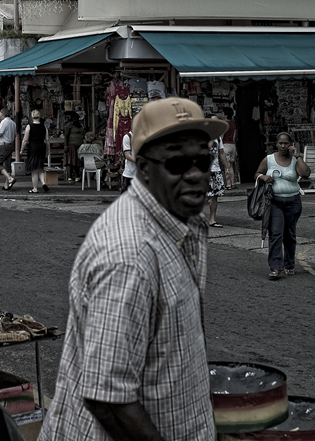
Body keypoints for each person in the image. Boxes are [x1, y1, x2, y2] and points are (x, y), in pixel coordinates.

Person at [39, 99, 226, 441]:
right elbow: (107, 397)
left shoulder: (182, 216)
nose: (196, 173)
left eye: (202, 159)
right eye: (178, 163)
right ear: (142, 168)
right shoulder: (129, 256)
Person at [255, 133, 310, 280]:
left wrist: (298, 156)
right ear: (276, 144)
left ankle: (289, 264)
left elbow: (305, 174)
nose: (283, 146)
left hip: (293, 201)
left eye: (286, 143)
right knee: (276, 234)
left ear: (291, 144)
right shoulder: (269, 159)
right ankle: (275, 267)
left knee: (290, 235)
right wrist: (263, 177)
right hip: (274, 202)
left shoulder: (294, 160)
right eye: (280, 143)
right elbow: (257, 173)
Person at [206, 133, 230, 227]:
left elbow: (221, 153)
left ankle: (212, 219)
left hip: (216, 169)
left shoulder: (218, 138)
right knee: (207, 195)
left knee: (215, 195)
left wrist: (226, 168)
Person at [22, 109, 48, 193]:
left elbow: (25, 140)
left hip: (33, 148)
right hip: (42, 148)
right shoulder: (44, 126)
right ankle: (43, 182)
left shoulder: (29, 126)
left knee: (34, 169)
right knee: (40, 167)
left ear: (32, 117)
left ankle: (35, 188)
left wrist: (21, 149)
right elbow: (47, 140)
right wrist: (48, 150)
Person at [0, 108, 17, 190]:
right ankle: (6, 184)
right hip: (10, 144)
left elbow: (0, 134)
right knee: (7, 165)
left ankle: (10, 178)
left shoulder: (4, 122)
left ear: (3, 115)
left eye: (0, 115)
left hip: (3, 145)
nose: (0, 117)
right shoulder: (13, 123)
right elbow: (15, 135)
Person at [63, 112, 86, 183]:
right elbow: (66, 136)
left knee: (77, 162)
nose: (75, 120)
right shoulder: (69, 125)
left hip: (79, 146)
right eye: (74, 118)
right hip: (71, 145)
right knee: (70, 162)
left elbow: (83, 134)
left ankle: (77, 176)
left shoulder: (80, 125)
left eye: (76, 118)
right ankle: (70, 177)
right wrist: (66, 146)